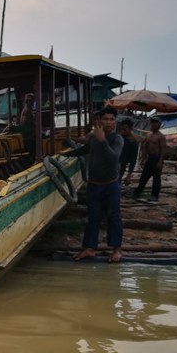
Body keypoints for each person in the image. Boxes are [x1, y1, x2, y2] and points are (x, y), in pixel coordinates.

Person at [62, 106, 124, 263]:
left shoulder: (117, 139)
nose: (109, 122)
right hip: (94, 184)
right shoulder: (94, 137)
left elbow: (113, 158)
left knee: (114, 217)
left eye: (112, 119)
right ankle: (89, 248)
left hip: (111, 185)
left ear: (115, 122)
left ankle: (116, 250)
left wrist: (102, 140)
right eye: (106, 119)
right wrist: (65, 154)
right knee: (93, 217)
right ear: (100, 121)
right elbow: (85, 149)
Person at [132, 117, 167, 202]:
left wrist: (160, 162)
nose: (154, 124)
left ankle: (154, 195)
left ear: (159, 125)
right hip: (150, 158)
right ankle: (137, 193)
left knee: (156, 178)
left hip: (157, 157)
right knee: (144, 177)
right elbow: (145, 147)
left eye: (156, 123)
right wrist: (143, 158)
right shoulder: (149, 134)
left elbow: (163, 150)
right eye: (153, 122)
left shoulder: (161, 136)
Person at [118, 118, 139, 185]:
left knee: (116, 182)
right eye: (121, 129)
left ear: (130, 129)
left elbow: (133, 159)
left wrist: (129, 175)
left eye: (124, 130)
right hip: (112, 164)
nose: (122, 131)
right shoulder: (118, 138)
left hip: (121, 166)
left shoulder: (133, 142)